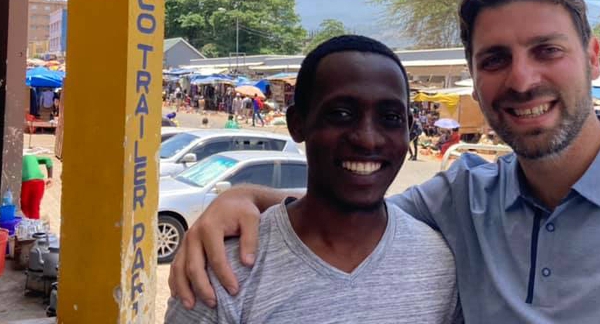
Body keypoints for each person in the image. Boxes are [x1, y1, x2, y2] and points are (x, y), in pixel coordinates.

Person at [170, 0, 600, 321]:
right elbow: (344, 206)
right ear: (475, 75)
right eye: (496, 58)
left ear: (593, 59)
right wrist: (240, 199)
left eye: (547, 50)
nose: (522, 79)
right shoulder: (462, 201)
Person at [165, 36, 461, 323]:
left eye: (390, 118)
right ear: (297, 124)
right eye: (341, 113)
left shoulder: (440, 264)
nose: (368, 139)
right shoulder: (221, 271)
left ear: (409, 129)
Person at [21, 154, 53, 219]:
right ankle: (34, 226)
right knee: (34, 207)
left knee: (24, 207)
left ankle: (28, 225)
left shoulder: (18, 160)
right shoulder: (32, 157)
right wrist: (50, 177)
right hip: (39, 183)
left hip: (26, 183)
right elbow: (48, 160)